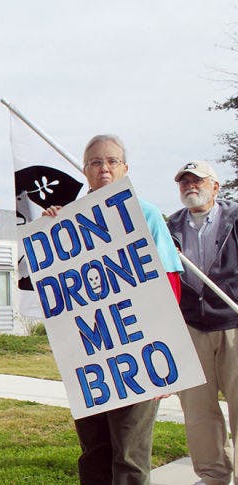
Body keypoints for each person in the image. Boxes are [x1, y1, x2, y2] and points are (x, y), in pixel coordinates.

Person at [43, 134, 183, 485]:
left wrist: (167, 356)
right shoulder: (67, 220)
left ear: (125, 168)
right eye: (95, 162)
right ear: (85, 169)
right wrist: (48, 230)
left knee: (130, 454)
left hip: (137, 349)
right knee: (94, 450)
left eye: (111, 161)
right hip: (88, 354)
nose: (103, 168)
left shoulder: (145, 213)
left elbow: (169, 284)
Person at [167, 160, 238, 485]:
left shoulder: (235, 218)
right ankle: (213, 475)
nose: (190, 186)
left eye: (197, 180)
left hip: (232, 324)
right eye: (184, 182)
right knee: (198, 412)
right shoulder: (171, 226)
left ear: (215, 186)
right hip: (191, 328)